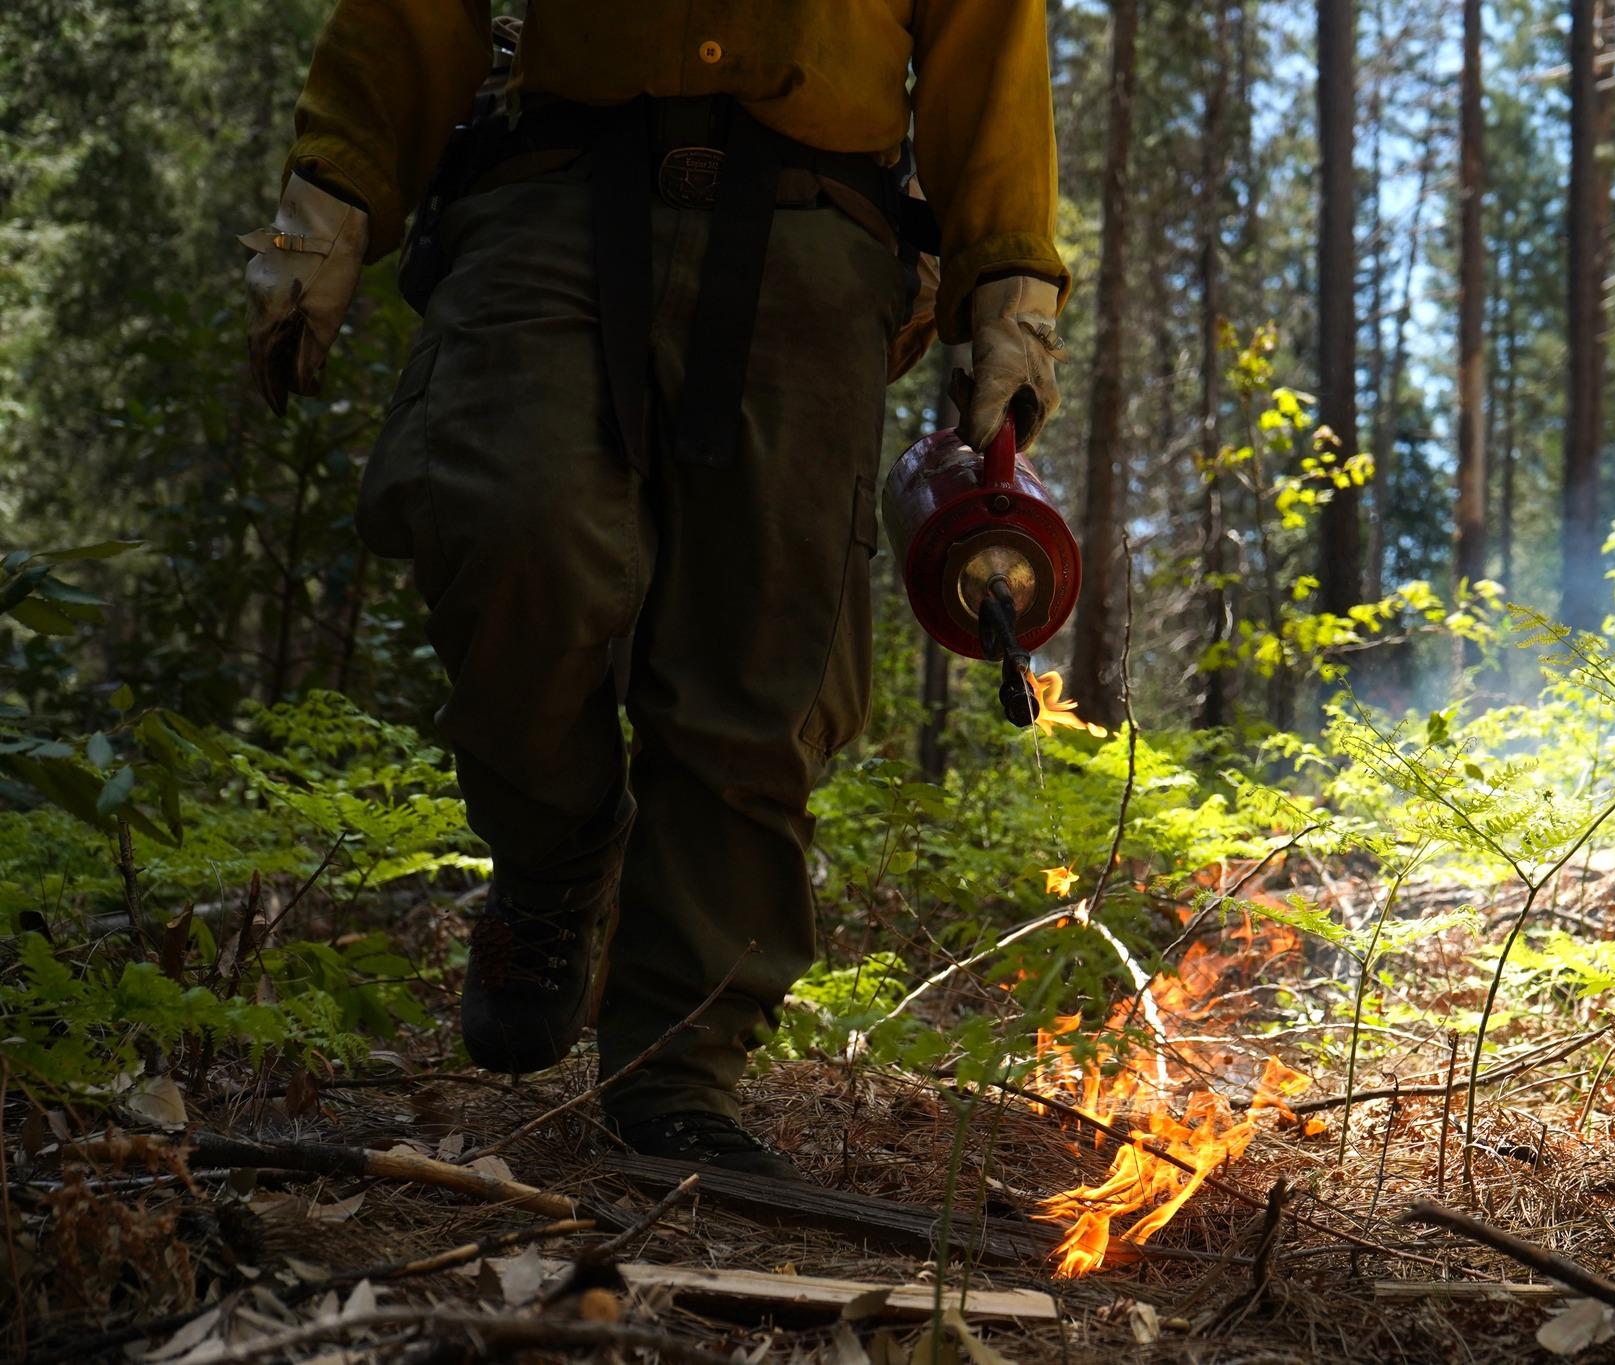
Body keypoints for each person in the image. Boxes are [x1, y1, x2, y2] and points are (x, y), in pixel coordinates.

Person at [239, 3, 1067, 1180]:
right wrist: (330, 200)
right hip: (549, 190)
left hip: (820, 234)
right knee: (503, 522)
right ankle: (554, 857)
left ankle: (675, 1073)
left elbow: (989, 33)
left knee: (762, 680)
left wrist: (1011, 283)